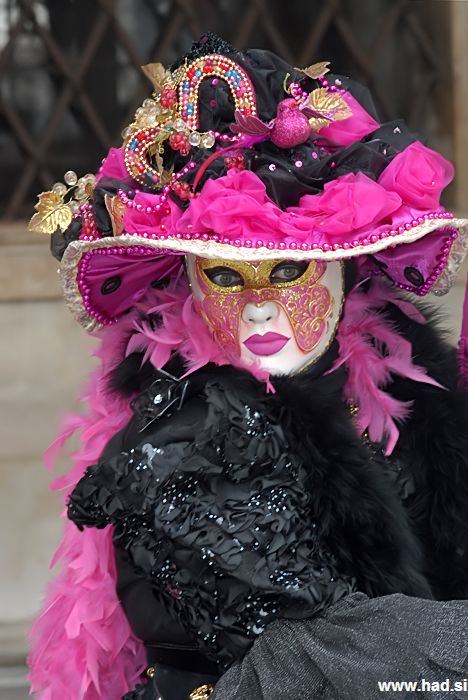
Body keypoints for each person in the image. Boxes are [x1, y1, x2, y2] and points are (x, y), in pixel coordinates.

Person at [28, 33, 468, 700]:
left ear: (347, 273)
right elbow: (328, 648)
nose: (260, 309)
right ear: (188, 284)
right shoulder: (185, 444)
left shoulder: (398, 390)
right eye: (227, 277)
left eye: (289, 272)